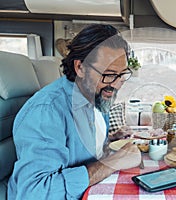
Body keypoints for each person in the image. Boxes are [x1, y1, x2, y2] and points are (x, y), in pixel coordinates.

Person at [8, 24, 141, 199]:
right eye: (109, 74)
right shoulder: (46, 112)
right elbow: (34, 192)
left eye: (122, 74)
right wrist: (112, 162)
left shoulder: (96, 96)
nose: (116, 85)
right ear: (80, 68)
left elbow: (75, 147)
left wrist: (109, 138)